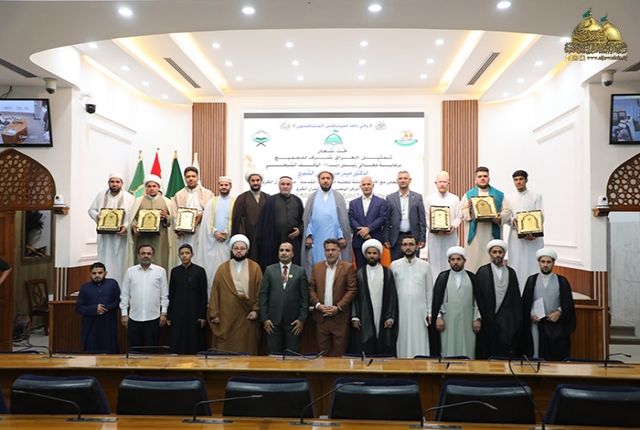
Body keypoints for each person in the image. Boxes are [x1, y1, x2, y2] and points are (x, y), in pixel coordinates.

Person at [208, 234, 262, 355]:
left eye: (242, 248)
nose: (239, 251)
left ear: (247, 250)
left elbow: (260, 292)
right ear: (232, 250)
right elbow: (215, 292)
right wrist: (214, 314)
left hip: (247, 316)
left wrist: (256, 310)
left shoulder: (255, 268)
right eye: (236, 248)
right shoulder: (222, 268)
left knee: (246, 348)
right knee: (226, 351)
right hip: (227, 317)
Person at [522, 248, 576, 361]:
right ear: (539, 263)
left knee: (555, 357)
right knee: (536, 354)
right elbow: (525, 303)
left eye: (548, 262)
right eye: (543, 262)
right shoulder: (531, 280)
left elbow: (568, 303)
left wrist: (559, 312)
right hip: (536, 325)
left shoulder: (562, 281)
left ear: (553, 263)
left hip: (555, 326)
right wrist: (532, 315)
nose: (545, 265)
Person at [308, 238, 357, 357]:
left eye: (333, 250)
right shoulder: (317, 267)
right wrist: (318, 305)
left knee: (339, 355)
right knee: (322, 354)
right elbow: (311, 288)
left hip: (340, 318)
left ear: (339, 251)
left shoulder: (347, 267)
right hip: (321, 318)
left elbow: (352, 290)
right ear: (324, 251)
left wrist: (338, 307)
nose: (330, 253)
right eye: (327, 250)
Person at [430, 246, 481, 359]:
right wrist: (438, 317)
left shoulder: (471, 277)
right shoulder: (443, 277)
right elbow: (436, 300)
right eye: (453, 259)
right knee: (448, 348)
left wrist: (477, 319)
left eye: (459, 259)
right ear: (449, 261)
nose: (456, 262)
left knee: (467, 348)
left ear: (464, 260)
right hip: (447, 321)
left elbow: (477, 301)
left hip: (468, 321)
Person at [475, 240, 522, 359]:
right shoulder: (483, 272)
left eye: (500, 252)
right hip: (488, 320)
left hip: (507, 322)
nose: (497, 255)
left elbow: (515, 299)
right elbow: (477, 297)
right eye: (494, 252)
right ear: (490, 253)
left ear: (504, 253)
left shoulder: (511, 272)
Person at [350, 239, 398, 356]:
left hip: (382, 313)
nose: (372, 256)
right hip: (364, 314)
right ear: (365, 255)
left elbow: (392, 296)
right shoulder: (358, 273)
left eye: (374, 253)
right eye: (369, 253)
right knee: (365, 341)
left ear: (379, 255)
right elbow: (354, 297)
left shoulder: (387, 273)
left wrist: (390, 317)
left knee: (383, 342)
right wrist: (355, 316)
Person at [259, 242, 309, 354]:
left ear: (292, 254)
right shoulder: (269, 270)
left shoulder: (300, 271)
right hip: (272, 322)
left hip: (293, 322)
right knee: (274, 354)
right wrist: (265, 319)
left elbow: (305, 298)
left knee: (292, 355)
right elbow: (263, 295)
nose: (284, 253)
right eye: (281, 250)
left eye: (287, 250)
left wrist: (302, 319)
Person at [302, 170, 352, 277]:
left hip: (335, 237)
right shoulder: (312, 197)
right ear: (318, 181)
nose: (325, 181)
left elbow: (342, 220)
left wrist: (341, 236)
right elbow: (308, 219)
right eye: (323, 178)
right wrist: (308, 235)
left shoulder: (338, 197)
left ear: (332, 181)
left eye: (328, 178)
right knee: (317, 265)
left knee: (336, 265)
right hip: (316, 239)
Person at [461, 166, 511, 272]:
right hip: (475, 237)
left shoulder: (499, 195)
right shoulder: (468, 196)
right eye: (480, 176)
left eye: (485, 176)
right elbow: (460, 213)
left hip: (491, 234)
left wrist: (500, 217)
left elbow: (507, 211)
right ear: (475, 179)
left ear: (489, 178)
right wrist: (469, 210)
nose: (482, 178)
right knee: (474, 264)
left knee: (491, 263)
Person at [88, 173, 135, 285]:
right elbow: (91, 210)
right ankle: (104, 287)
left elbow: (133, 217)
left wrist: (126, 226)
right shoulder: (101, 195)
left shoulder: (129, 198)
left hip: (120, 238)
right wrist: (97, 216)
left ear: (122, 183)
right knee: (105, 261)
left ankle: (120, 289)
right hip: (105, 238)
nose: (114, 184)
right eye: (112, 181)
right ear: (108, 183)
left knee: (120, 264)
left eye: (117, 182)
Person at [390, 235, 433, 358]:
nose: (408, 247)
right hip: (401, 311)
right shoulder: (394, 265)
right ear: (401, 247)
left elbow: (429, 291)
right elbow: (391, 293)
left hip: (419, 311)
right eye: (405, 245)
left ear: (417, 246)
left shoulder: (425, 266)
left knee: (419, 340)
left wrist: (430, 312)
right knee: (402, 340)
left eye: (411, 244)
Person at [120, 245, 169, 351]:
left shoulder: (160, 271)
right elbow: (124, 294)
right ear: (138, 255)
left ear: (153, 256)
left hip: (153, 318)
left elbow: (164, 295)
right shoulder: (130, 271)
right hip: (134, 318)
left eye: (149, 253)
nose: (146, 256)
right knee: (134, 351)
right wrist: (124, 314)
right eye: (143, 253)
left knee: (152, 351)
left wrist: (164, 313)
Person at [505, 170, 544, 294]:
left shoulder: (536, 196)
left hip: (534, 239)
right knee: (516, 264)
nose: (518, 182)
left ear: (526, 180)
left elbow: (541, 216)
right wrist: (513, 222)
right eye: (516, 180)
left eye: (521, 179)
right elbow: (507, 217)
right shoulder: (509, 198)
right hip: (516, 237)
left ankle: (534, 292)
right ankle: (517, 293)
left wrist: (533, 233)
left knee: (533, 264)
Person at [256, 176, 304, 271]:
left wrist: (300, 230)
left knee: (294, 267)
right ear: (279, 186)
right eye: (283, 184)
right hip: (275, 240)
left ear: (291, 186)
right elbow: (265, 222)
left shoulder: (297, 201)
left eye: (288, 184)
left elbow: (302, 220)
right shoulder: (271, 201)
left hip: (293, 240)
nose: (285, 186)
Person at [128, 175, 173, 274]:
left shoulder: (166, 201)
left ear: (158, 187)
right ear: (146, 188)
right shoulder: (139, 201)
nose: (151, 188)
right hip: (143, 238)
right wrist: (134, 226)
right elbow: (132, 218)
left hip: (161, 240)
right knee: (142, 261)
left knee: (160, 263)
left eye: (154, 186)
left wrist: (166, 217)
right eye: (149, 186)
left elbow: (174, 220)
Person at [198, 176, 235, 297]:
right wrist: (215, 232)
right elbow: (207, 221)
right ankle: (210, 298)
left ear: (230, 186)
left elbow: (236, 221)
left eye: (226, 185)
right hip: (212, 241)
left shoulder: (235, 202)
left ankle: (225, 297)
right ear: (218, 186)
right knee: (211, 270)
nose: (224, 187)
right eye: (221, 185)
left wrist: (227, 233)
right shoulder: (211, 202)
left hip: (227, 242)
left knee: (226, 270)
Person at [167, 244, 208, 354]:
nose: (184, 256)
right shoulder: (175, 271)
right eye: (182, 254)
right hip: (177, 312)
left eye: (187, 253)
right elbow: (171, 294)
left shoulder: (199, 271)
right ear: (179, 256)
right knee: (177, 338)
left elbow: (203, 294)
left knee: (194, 339)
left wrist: (202, 316)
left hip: (194, 312)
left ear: (192, 255)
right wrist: (169, 315)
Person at [170, 166, 214, 265]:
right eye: (188, 176)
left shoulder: (207, 193)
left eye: (193, 176)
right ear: (185, 178)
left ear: (198, 177)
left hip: (201, 229)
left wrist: (200, 218)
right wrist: (178, 228)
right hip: (185, 232)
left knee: (200, 253)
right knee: (185, 252)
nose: (190, 179)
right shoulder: (179, 195)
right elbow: (174, 214)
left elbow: (211, 212)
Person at [75, 262, 120, 353]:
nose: (97, 276)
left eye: (100, 273)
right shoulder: (85, 287)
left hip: (108, 323)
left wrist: (104, 308)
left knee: (109, 349)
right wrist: (94, 309)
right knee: (91, 351)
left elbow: (118, 301)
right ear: (90, 274)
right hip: (91, 324)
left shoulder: (112, 284)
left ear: (105, 273)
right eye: (94, 273)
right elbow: (79, 308)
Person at [424, 171, 462, 278]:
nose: (442, 184)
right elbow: (426, 218)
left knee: (450, 260)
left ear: (448, 183)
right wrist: (433, 228)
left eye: (444, 182)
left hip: (450, 236)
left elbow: (459, 217)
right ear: (435, 183)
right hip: (435, 237)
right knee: (434, 263)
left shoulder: (455, 199)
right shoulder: (429, 199)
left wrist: (453, 226)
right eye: (440, 182)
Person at [384, 171, 426, 261]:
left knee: (413, 263)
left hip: (413, 236)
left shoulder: (418, 197)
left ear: (410, 180)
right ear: (397, 181)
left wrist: (422, 238)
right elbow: (387, 220)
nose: (403, 180)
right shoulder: (390, 198)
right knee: (396, 264)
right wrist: (386, 238)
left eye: (405, 178)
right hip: (396, 238)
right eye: (400, 178)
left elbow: (422, 219)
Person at [348, 176, 387, 269]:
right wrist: (362, 233)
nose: (366, 186)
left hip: (375, 239)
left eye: (368, 184)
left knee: (375, 268)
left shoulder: (381, 202)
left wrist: (368, 229)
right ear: (360, 186)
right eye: (364, 184)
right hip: (359, 241)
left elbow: (382, 218)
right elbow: (351, 219)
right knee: (360, 269)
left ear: (373, 186)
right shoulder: (353, 203)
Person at [231, 169, 269, 263]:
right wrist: (242, 238)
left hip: (264, 237)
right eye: (253, 180)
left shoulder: (268, 198)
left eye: (257, 180)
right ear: (249, 182)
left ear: (261, 181)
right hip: (248, 235)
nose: (255, 183)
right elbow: (238, 221)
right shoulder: (242, 198)